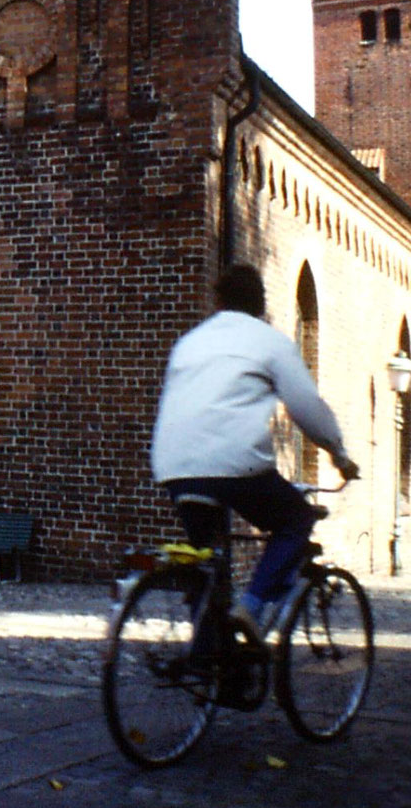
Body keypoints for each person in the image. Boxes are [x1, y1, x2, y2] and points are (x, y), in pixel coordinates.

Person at [150, 263, 360, 641]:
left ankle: (207, 661)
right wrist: (339, 456)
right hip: (233, 463)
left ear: (219, 301)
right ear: (260, 305)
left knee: (206, 560)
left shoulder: (190, 342)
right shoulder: (270, 343)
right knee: (295, 519)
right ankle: (253, 605)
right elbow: (307, 407)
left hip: (174, 465)